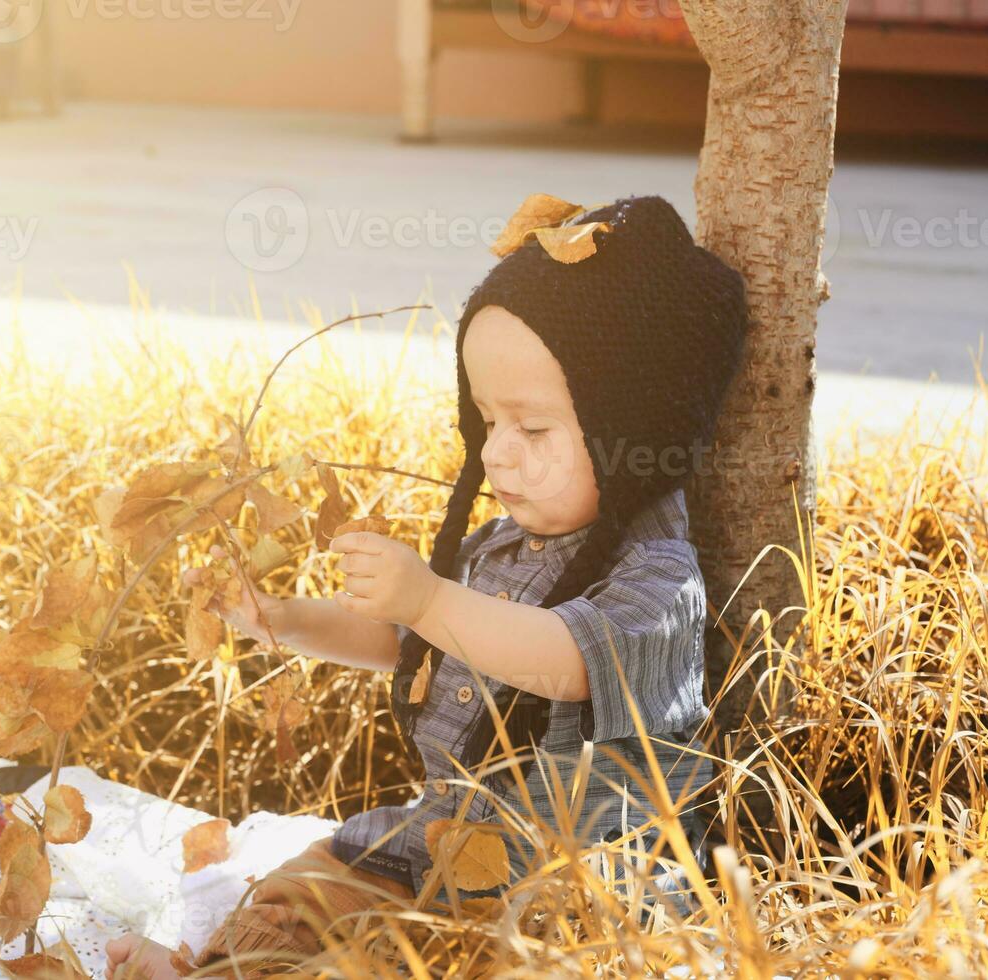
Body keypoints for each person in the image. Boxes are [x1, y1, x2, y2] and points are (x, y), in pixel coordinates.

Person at [106, 194, 750, 978]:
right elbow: (409, 644)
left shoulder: (658, 577)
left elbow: (570, 662)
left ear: (635, 429)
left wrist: (432, 599)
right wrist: (281, 618)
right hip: (439, 848)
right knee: (312, 879)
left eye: (533, 428)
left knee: (493, 961)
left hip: (567, 890)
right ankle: (227, 968)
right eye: (485, 421)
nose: (499, 455)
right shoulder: (500, 545)